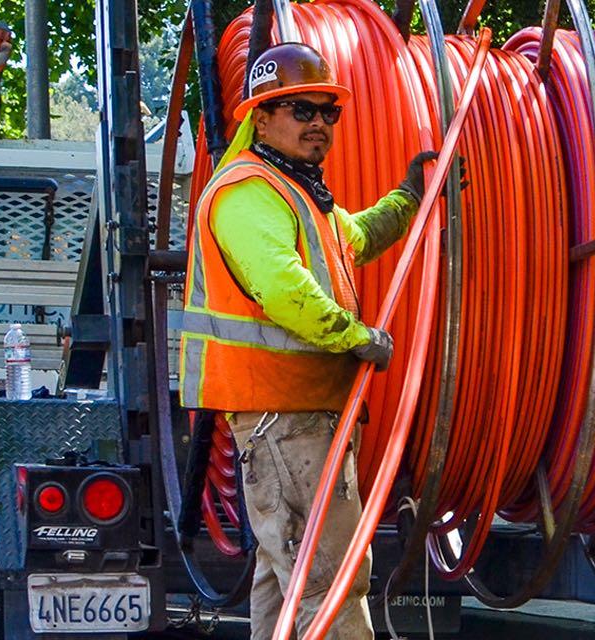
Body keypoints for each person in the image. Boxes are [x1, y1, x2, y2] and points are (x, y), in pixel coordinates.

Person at [176, 42, 439, 640]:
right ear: (260, 117)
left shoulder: (296, 195)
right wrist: (356, 336)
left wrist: (407, 200)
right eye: (300, 109)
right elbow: (281, 287)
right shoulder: (248, 192)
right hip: (282, 418)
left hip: (300, 416)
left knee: (283, 572)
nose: (318, 122)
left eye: (328, 111)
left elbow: (354, 240)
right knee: (330, 576)